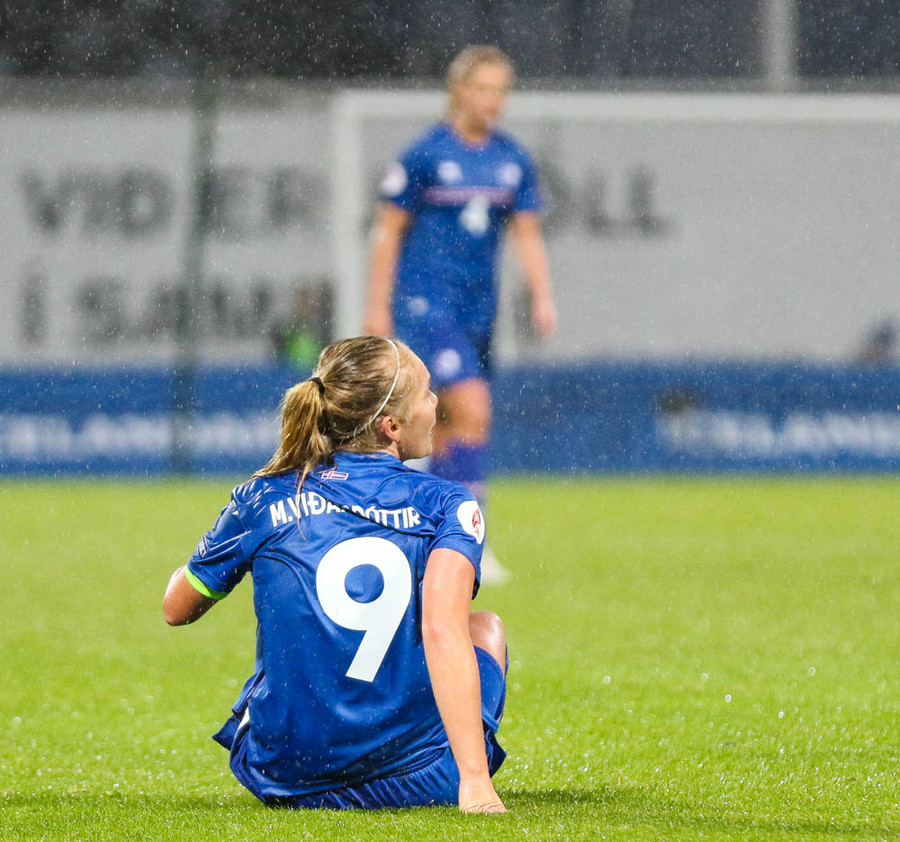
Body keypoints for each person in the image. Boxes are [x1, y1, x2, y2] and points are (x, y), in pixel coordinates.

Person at [163, 335, 509, 813]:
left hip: (282, 775)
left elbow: (176, 608)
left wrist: (229, 541)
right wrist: (473, 783)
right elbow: (441, 630)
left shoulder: (261, 497)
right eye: (426, 394)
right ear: (391, 426)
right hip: (418, 782)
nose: (436, 403)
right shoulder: (447, 503)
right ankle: (457, 767)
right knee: (483, 628)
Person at [365, 45, 557, 583]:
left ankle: (432, 540)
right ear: (458, 91)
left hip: (478, 311)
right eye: (483, 88)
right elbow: (387, 232)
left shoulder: (511, 159)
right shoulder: (425, 154)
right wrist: (377, 308)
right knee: (474, 410)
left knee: (447, 428)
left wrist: (542, 296)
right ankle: (473, 541)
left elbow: (527, 233)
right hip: (426, 304)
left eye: (502, 90)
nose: (493, 100)